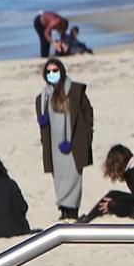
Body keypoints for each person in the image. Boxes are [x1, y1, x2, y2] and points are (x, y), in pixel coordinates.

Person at [37, 59, 94, 221]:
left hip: (73, 142)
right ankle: (63, 208)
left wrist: (86, 136)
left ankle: (73, 209)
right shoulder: (43, 97)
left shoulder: (75, 91)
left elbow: (87, 114)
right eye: (49, 71)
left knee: (74, 176)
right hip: (54, 145)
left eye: (55, 70)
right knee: (59, 178)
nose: (52, 74)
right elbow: (43, 123)